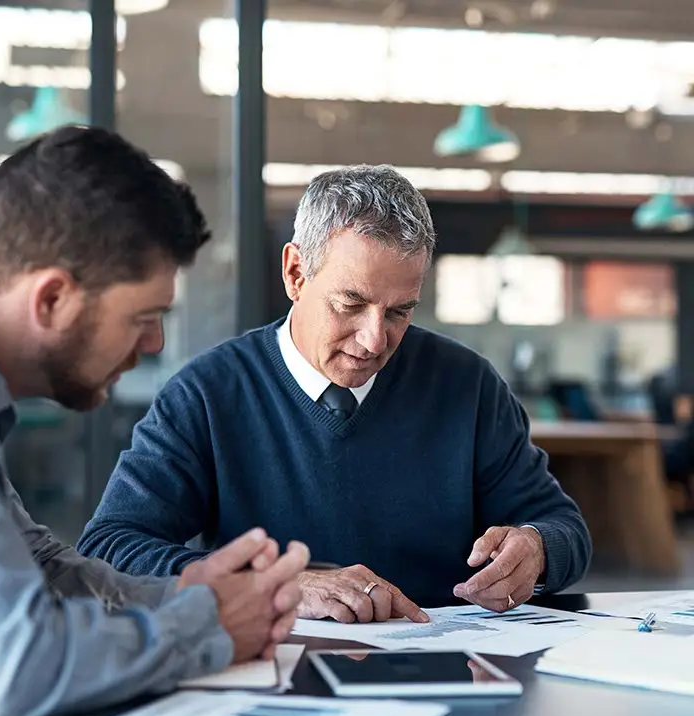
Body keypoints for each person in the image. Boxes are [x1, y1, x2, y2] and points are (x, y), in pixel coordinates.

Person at [0, 125, 309, 716]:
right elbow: (4, 667)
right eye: (143, 315)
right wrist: (204, 626)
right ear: (52, 298)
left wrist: (181, 594)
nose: (155, 342)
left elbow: (37, 568)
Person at [78, 164, 592, 624]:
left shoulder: (468, 386)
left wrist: (537, 549)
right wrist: (271, 587)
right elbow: (109, 548)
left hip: (446, 673)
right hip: (276, 678)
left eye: (399, 312)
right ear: (296, 274)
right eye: (351, 303)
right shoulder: (208, 395)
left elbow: (564, 527)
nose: (374, 340)